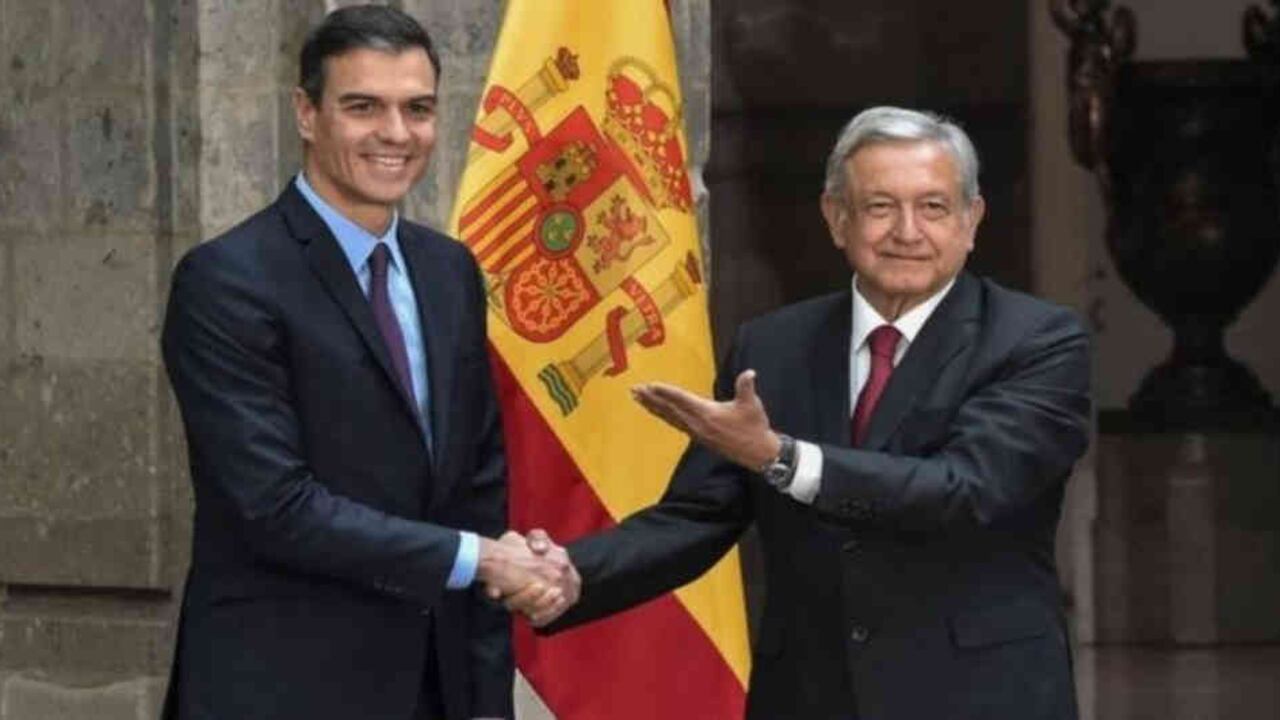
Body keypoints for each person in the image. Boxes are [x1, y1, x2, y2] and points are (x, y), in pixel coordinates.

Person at [521, 106, 1091, 719]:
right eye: (879, 207)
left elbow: (965, 488)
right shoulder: (772, 346)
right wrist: (571, 572)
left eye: (933, 207)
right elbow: (700, 514)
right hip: (809, 694)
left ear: (971, 220)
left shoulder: (1037, 341)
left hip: (978, 695)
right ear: (836, 218)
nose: (907, 231)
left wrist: (783, 459)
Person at [160, 6, 574, 720]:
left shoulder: (449, 271)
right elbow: (275, 507)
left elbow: (477, 489)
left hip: (437, 685)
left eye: (418, 109)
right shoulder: (227, 280)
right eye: (363, 107)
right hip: (283, 688)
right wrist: (483, 558)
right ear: (306, 113)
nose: (396, 133)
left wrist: (486, 696)